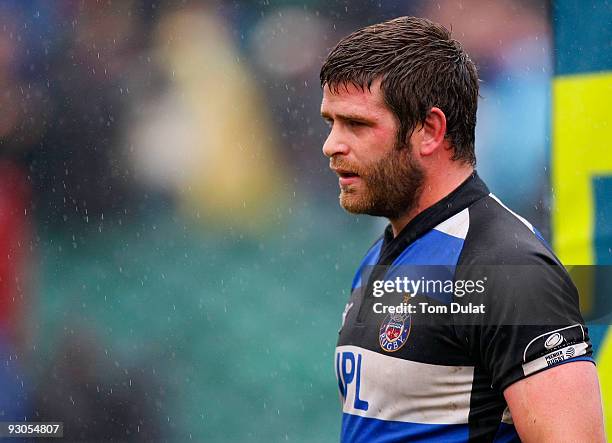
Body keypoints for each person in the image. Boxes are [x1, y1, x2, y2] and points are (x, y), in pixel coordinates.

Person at [320, 17, 605, 442]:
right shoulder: (387, 251)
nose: (331, 145)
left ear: (430, 131)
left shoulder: (508, 268)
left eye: (357, 125)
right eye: (331, 123)